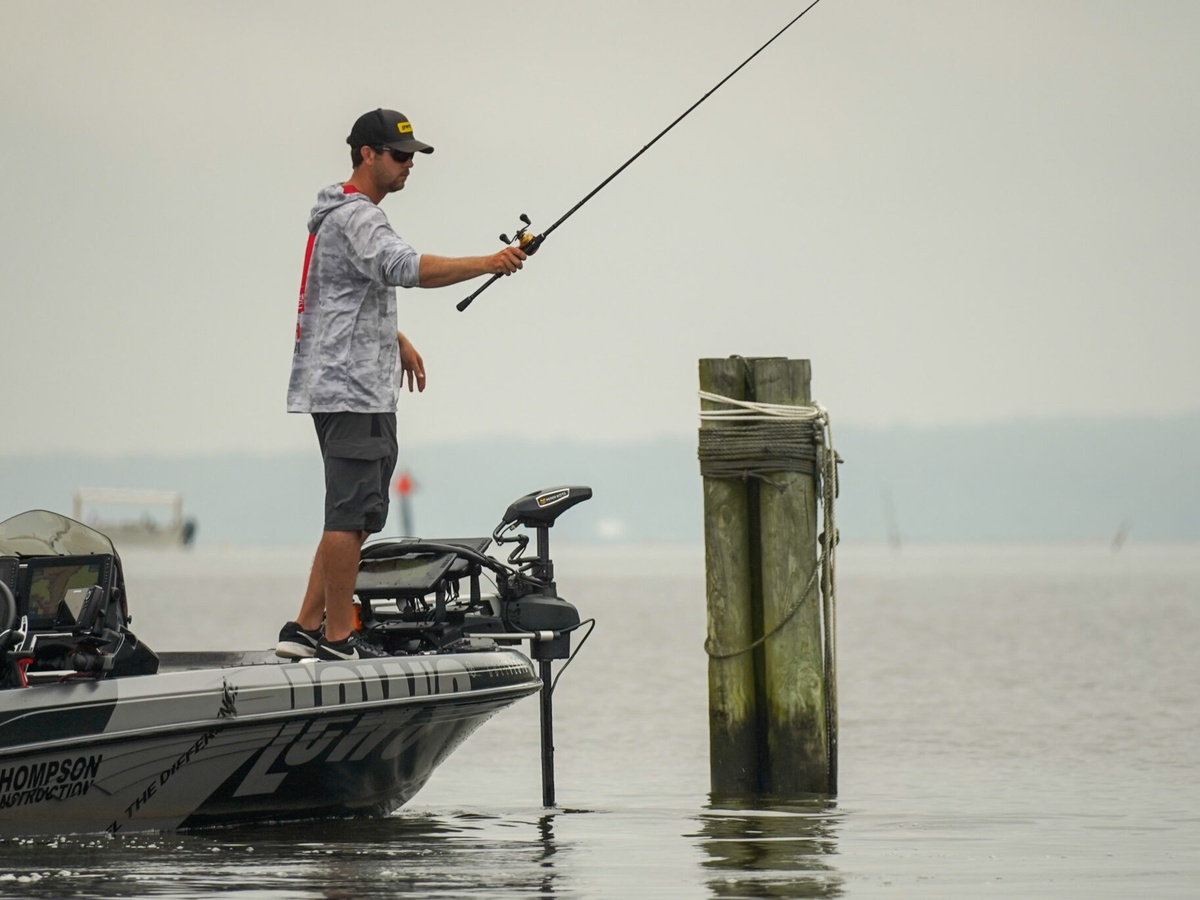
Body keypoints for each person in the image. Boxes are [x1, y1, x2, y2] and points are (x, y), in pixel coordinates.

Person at [277, 108, 527, 661]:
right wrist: (490, 261)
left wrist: (396, 338)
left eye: (412, 155)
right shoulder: (358, 217)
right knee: (348, 513)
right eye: (398, 154)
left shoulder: (343, 216)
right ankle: (338, 638)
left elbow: (346, 296)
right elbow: (405, 267)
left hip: (357, 386)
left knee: (360, 512)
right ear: (367, 154)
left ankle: (305, 627)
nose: (408, 164)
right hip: (348, 390)